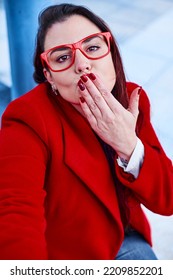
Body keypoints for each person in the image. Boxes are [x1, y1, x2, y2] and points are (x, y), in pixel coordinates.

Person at [0, 3, 173, 260]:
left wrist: (129, 146)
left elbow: (167, 199)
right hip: (70, 256)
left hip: (124, 240)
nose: (82, 65)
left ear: (110, 52)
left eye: (92, 47)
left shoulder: (132, 101)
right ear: (49, 76)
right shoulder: (27, 119)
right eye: (62, 57)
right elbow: (16, 212)